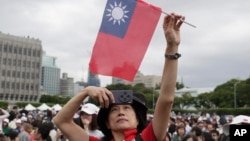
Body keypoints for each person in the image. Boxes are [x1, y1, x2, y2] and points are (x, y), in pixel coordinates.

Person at [54, 12, 185, 141]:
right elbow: (61, 121)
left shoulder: (148, 138)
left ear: (138, 119)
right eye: (114, 110)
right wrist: (85, 91)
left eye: (127, 108)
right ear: (107, 123)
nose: (121, 112)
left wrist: (172, 47)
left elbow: (166, 100)